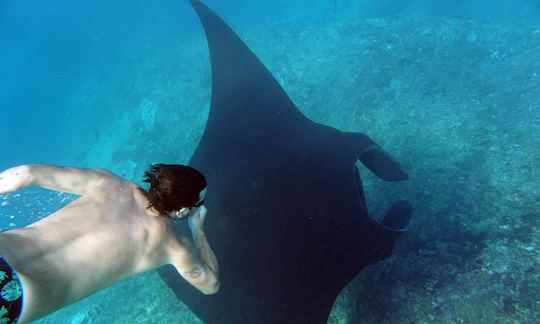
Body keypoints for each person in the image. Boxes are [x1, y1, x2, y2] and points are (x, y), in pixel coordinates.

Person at [0, 163, 219, 323]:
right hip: (18, 299)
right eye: (199, 202)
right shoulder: (173, 244)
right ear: (183, 209)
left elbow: (26, 174)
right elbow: (210, 285)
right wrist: (197, 230)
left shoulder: (110, 182)